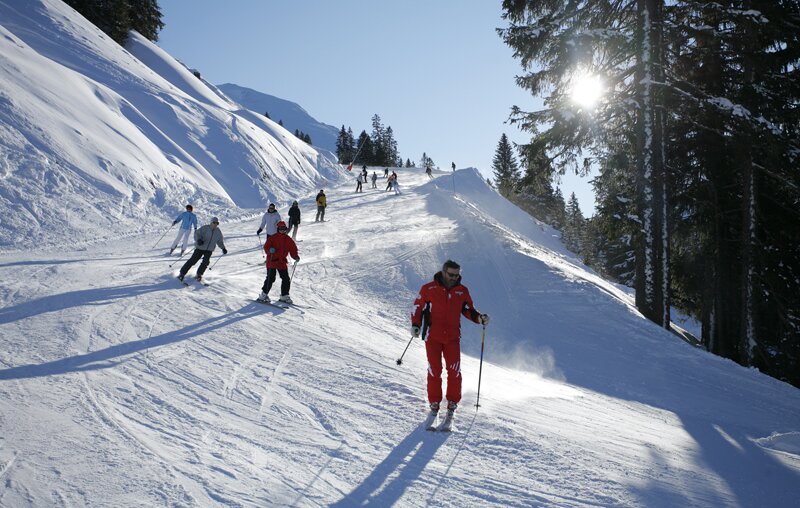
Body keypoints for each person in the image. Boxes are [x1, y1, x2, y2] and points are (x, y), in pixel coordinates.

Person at [410, 260, 489, 419]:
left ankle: (452, 401)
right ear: (444, 272)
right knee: (434, 370)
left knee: (454, 370)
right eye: (451, 274)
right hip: (433, 337)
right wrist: (415, 325)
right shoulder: (429, 289)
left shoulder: (462, 291)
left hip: (452, 337)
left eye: (457, 275)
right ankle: (434, 401)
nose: (454, 278)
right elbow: (417, 307)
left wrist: (479, 318)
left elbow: (468, 310)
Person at [257, 221, 299, 304]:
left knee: (286, 278)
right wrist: (270, 250)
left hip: (281, 261)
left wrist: (295, 256)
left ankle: (284, 295)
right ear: (278, 229)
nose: (282, 230)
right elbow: (266, 247)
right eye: (280, 229)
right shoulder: (273, 238)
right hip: (272, 260)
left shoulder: (288, 240)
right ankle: (263, 295)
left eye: (283, 229)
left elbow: (293, 249)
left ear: (286, 229)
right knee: (271, 277)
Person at [178, 217, 227, 282]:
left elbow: (219, 241)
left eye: (217, 223)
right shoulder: (205, 228)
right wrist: (198, 240)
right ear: (211, 222)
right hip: (200, 248)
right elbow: (197, 234)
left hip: (209, 250)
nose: (215, 224)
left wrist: (223, 248)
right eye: (214, 223)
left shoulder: (218, 231)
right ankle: (182, 273)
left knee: (206, 262)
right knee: (193, 260)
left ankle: (199, 274)